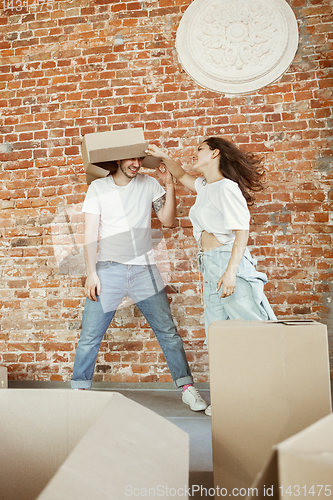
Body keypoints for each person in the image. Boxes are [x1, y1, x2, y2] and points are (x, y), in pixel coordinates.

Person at [146, 138, 277, 416]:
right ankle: (231, 399)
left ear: (214, 153)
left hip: (230, 264)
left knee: (256, 332)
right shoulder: (206, 187)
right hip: (209, 265)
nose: (195, 154)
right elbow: (181, 174)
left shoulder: (227, 189)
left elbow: (241, 231)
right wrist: (162, 157)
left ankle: (271, 397)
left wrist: (230, 272)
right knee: (218, 336)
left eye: (200, 149)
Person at [70, 155, 208, 412]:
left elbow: (167, 221)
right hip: (108, 269)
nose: (136, 164)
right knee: (90, 335)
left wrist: (169, 184)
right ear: (118, 158)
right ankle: (79, 392)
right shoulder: (98, 188)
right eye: (130, 159)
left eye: (139, 158)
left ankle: (188, 390)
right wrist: (91, 272)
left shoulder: (149, 184)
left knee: (168, 332)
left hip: (145, 270)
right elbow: (89, 233)